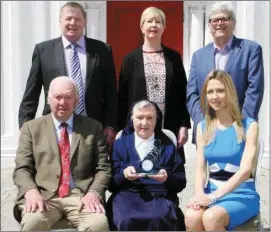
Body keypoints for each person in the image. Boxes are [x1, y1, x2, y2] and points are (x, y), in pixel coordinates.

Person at [13, 76, 111, 231]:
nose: (62, 103)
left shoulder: (93, 127)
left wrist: (93, 192)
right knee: (33, 223)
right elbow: (22, 168)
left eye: (68, 97)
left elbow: (103, 168)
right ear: (48, 99)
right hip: (44, 196)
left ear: (77, 100)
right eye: (57, 97)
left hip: (81, 197)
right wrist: (31, 191)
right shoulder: (31, 128)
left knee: (98, 224)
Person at [18, 2, 118, 148]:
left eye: (78, 19)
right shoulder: (43, 50)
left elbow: (110, 91)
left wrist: (110, 125)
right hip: (54, 125)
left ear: (85, 22)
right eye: (68, 18)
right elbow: (32, 91)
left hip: (92, 126)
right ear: (60, 22)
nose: (73, 23)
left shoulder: (102, 50)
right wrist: (25, 123)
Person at [184, 70, 260, 231]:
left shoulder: (249, 126)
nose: (214, 96)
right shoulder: (203, 127)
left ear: (230, 93)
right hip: (211, 191)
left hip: (241, 194)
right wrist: (200, 195)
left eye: (220, 91)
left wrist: (212, 198)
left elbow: (245, 171)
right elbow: (200, 169)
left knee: (211, 217)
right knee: (191, 216)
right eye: (210, 92)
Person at [117, 7, 191, 161]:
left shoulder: (174, 58)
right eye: (149, 21)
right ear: (142, 27)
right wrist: (121, 131)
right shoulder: (130, 59)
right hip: (139, 128)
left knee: (168, 173)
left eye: (158, 22)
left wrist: (184, 125)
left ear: (164, 27)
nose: (154, 25)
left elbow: (183, 92)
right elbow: (122, 97)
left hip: (168, 126)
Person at [186, 2, 264, 144]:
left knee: (242, 167)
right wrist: (202, 123)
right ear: (209, 25)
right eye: (214, 20)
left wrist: (241, 124)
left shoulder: (251, 50)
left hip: (239, 130)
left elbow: (255, 89)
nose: (219, 23)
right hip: (208, 132)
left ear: (233, 22)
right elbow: (192, 94)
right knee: (204, 167)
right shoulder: (199, 55)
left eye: (224, 19)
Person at [106, 100, 187, 231]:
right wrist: (123, 175)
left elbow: (181, 182)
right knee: (125, 220)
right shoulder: (120, 145)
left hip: (159, 197)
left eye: (150, 118)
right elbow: (111, 185)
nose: (144, 123)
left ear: (156, 120)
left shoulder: (167, 146)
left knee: (159, 218)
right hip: (126, 196)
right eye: (139, 117)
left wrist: (167, 178)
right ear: (132, 119)